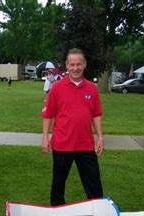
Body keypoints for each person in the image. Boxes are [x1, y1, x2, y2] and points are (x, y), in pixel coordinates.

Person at [41, 48, 104, 206]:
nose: (75, 68)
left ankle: (98, 211)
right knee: (59, 182)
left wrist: (100, 137)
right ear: (66, 66)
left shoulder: (92, 88)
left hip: (86, 145)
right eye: (72, 64)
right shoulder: (56, 87)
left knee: (94, 183)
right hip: (62, 144)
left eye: (79, 64)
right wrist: (45, 138)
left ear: (84, 64)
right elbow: (48, 115)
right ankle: (57, 211)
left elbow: (96, 115)